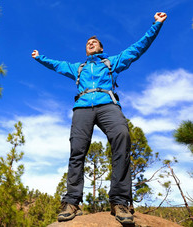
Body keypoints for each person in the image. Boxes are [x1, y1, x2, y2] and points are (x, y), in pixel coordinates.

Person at [31, 12, 167, 224]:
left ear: (101, 48)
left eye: (94, 42)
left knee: (122, 137)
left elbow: (138, 47)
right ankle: (72, 202)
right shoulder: (78, 67)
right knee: (77, 151)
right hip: (82, 107)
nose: (91, 43)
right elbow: (56, 64)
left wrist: (156, 25)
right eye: (88, 42)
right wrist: (40, 58)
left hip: (107, 104)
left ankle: (120, 202)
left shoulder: (111, 63)